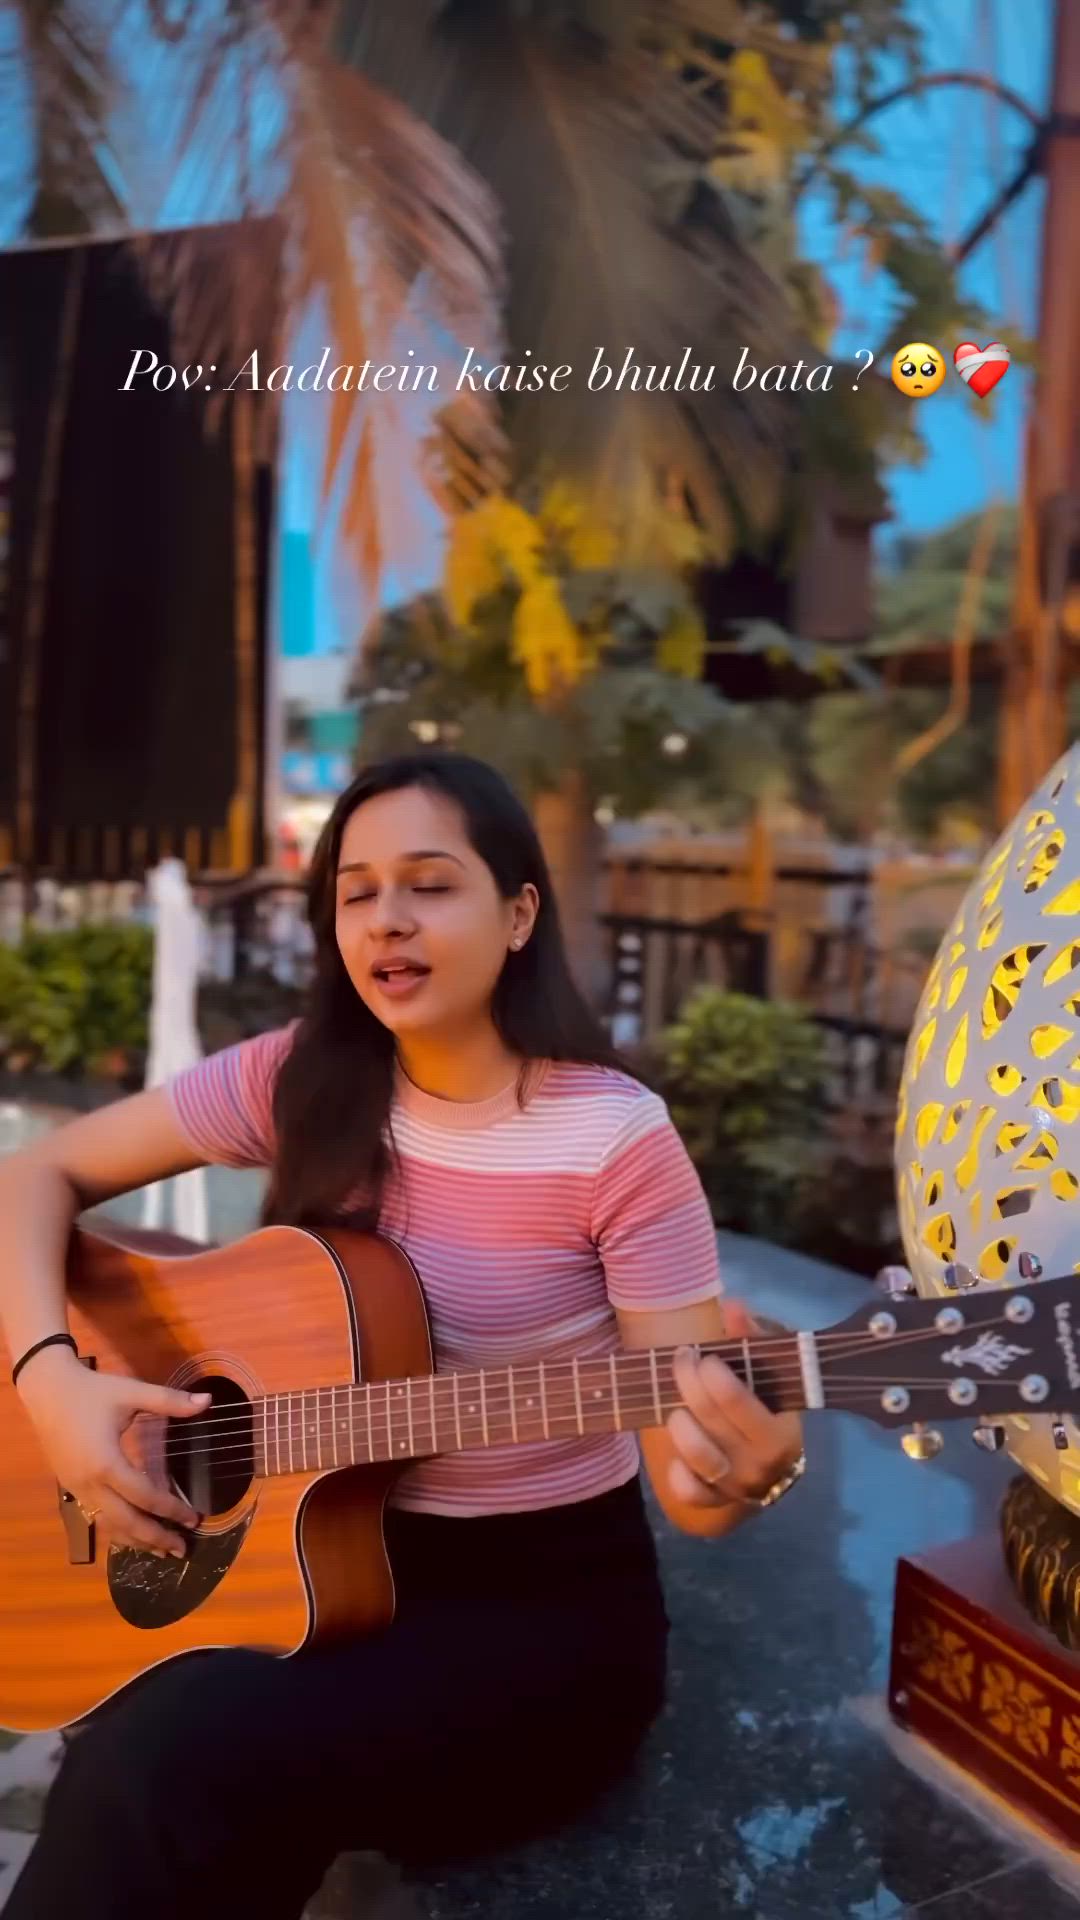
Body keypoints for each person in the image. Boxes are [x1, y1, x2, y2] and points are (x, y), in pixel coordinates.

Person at [0, 753, 804, 1920]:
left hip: (534, 1623)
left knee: (172, 1749)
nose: (388, 919)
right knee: (165, 1742)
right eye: (356, 891)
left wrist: (750, 1470)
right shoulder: (304, 1076)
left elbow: (693, 1484)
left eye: (430, 883)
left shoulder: (614, 1139)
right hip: (305, 1562)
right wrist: (51, 1379)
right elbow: (36, 1173)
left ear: (519, 912)